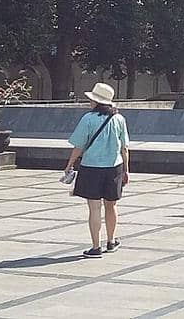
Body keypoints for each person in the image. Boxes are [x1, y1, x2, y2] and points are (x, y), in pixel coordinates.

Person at [65, 83, 130, 258]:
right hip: (114, 168)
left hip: (91, 168)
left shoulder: (88, 119)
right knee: (111, 205)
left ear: (95, 101)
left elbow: (78, 146)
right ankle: (111, 241)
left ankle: (95, 247)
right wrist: (126, 170)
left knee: (94, 208)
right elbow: (124, 148)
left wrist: (69, 164)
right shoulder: (119, 119)